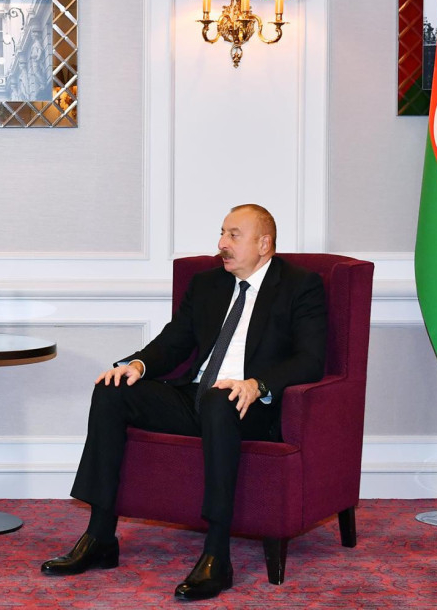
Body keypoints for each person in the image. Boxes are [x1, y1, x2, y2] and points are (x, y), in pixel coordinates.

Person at [41, 204, 326, 601]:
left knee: (219, 400)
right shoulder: (208, 283)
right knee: (112, 388)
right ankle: (100, 536)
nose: (222, 243)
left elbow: (311, 359)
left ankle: (217, 555)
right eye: (222, 233)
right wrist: (137, 365)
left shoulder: (300, 285)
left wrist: (257, 384)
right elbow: (174, 341)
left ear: (264, 244)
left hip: (249, 406)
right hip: (196, 397)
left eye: (233, 235)